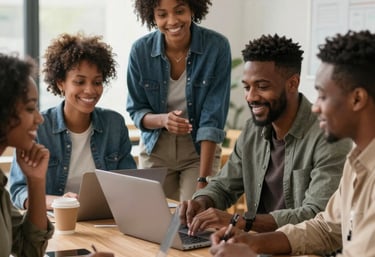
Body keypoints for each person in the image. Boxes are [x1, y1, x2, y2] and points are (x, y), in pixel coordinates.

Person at [210, 30, 375, 257]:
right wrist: (253, 244)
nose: (315, 107)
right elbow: (326, 228)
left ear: (357, 99)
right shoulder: (357, 162)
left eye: (323, 96)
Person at [179, 34, 353, 235]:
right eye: (247, 87)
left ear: (292, 83)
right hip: (256, 245)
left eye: (262, 87)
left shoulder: (329, 136)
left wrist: (242, 221)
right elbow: (224, 186)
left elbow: (317, 215)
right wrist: (201, 202)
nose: (251, 97)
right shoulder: (253, 130)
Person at [10, 33, 137, 210]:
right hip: (57, 224)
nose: (90, 90)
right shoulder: (39, 127)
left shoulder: (114, 124)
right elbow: (19, 192)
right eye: (79, 82)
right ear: (61, 83)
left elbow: (131, 185)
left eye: (97, 82)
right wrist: (61, 202)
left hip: (105, 221)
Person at [126, 0, 231, 201]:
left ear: (192, 8)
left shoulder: (216, 47)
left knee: (194, 222)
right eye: (162, 14)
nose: (172, 21)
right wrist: (163, 120)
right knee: (153, 222)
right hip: (156, 148)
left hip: (199, 150)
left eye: (180, 11)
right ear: (152, 16)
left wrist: (204, 179)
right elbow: (137, 110)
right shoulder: (140, 51)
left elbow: (213, 118)